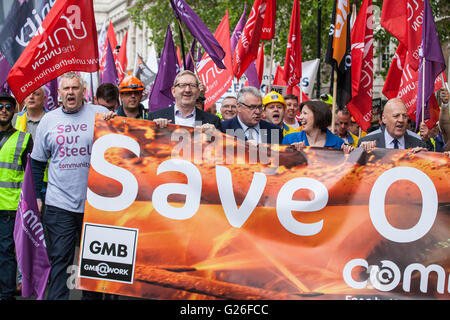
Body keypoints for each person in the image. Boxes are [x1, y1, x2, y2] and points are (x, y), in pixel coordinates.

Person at [30, 72, 110, 300]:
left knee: (94, 265)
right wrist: (37, 196)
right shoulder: (49, 120)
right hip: (59, 204)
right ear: (59, 93)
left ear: (83, 91)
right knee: (60, 262)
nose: (71, 92)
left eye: (75, 88)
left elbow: (126, 139)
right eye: (66, 89)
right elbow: (37, 163)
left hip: (96, 205)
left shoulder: (101, 114)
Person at [0, 93, 33, 300]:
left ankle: (7, 294)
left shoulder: (24, 139)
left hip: (9, 208)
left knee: (5, 254)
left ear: (14, 112)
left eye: (8, 107)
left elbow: (32, 175)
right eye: (0, 106)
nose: (3, 110)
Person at [148, 70, 222, 130]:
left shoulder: (213, 121)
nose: (187, 90)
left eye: (192, 86)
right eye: (182, 85)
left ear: (198, 92)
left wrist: (215, 136)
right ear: (173, 91)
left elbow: (221, 147)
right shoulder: (154, 118)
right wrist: (153, 129)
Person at [358, 98, 428, 151]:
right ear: (384, 118)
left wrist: (424, 157)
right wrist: (360, 153)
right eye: (396, 116)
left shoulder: (418, 144)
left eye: (404, 116)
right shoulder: (366, 142)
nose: (401, 120)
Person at [283, 100, 352, 152]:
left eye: (305, 113)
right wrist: (291, 153)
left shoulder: (338, 143)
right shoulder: (289, 140)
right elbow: (277, 166)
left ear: (318, 116)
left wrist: (347, 157)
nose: (300, 117)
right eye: (301, 113)